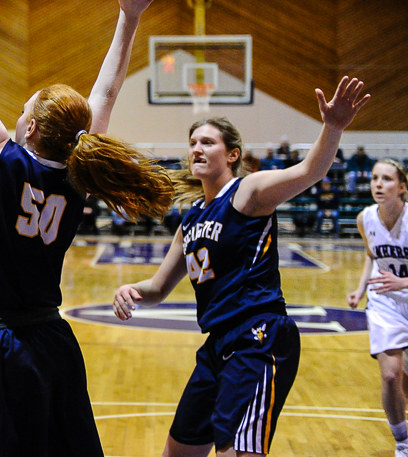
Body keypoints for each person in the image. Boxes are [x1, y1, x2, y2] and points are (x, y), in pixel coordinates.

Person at [0, 0, 173, 457]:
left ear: (27, 126)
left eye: (21, 108)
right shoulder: (79, 175)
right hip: (51, 341)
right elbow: (109, 94)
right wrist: (130, 18)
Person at [113, 76, 369, 457]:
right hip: (218, 344)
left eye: (207, 142)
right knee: (177, 452)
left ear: (232, 154)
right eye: (193, 143)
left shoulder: (247, 192)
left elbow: (309, 172)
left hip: (257, 336)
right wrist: (131, 290)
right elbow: (159, 287)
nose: (196, 149)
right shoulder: (190, 220)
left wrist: (332, 128)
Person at [346, 158, 408, 457]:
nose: (378, 184)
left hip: (404, 291)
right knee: (391, 375)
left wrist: (404, 282)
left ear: (402, 187)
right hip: (385, 302)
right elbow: (372, 256)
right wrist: (360, 289)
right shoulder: (365, 218)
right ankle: (402, 442)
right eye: (374, 178)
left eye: (386, 179)